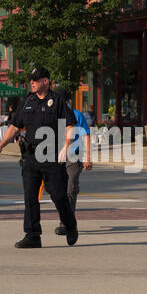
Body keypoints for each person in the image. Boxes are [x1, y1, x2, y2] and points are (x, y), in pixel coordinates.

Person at [0, 66, 79, 248]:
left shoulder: (57, 101)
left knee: (58, 195)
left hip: (52, 154)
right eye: (30, 79)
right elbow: (15, 126)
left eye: (35, 79)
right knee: (30, 195)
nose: (31, 82)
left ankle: (70, 225)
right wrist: (0, 145)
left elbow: (70, 125)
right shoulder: (28, 101)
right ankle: (32, 235)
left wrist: (66, 147)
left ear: (45, 81)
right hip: (30, 156)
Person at [55, 89, 93, 235]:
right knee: (58, 190)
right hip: (57, 157)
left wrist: (88, 158)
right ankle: (66, 219)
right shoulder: (54, 115)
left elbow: (86, 135)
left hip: (73, 157)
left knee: (70, 188)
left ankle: (66, 223)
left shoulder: (77, 115)